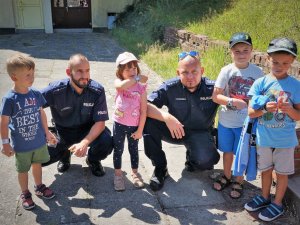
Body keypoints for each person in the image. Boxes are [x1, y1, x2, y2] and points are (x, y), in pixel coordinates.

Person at [143, 50, 220, 191]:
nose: (190, 77)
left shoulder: (213, 88)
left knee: (206, 162)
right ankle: (160, 168)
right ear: (178, 73)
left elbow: (233, 103)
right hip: (176, 130)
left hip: (200, 132)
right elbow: (146, 106)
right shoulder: (170, 87)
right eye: (185, 72)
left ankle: (193, 157)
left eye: (194, 71)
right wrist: (167, 117)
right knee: (147, 123)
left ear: (202, 71)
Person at [244, 37, 300, 222]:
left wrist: (289, 109)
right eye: (275, 62)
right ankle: (265, 196)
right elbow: (251, 112)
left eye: (285, 63)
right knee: (266, 170)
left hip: (285, 140)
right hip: (264, 138)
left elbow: (298, 116)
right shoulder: (260, 83)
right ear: (268, 59)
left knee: (282, 174)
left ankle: (277, 204)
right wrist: (265, 109)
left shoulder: (296, 86)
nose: (279, 66)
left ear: (292, 62)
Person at [41, 54, 113, 177]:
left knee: (106, 142)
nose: (85, 76)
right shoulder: (55, 90)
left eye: (87, 71)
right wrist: (46, 132)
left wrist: (84, 143)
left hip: (87, 130)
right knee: (39, 155)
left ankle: (93, 160)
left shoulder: (97, 91)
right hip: (62, 132)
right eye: (80, 71)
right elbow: (31, 104)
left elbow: (100, 123)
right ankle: (64, 155)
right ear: (69, 72)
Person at [0, 54, 57, 210]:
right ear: (14, 77)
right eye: (27, 75)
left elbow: (41, 113)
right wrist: (5, 143)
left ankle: (39, 186)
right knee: (23, 170)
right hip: (21, 145)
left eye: (32, 73)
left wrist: (48, 133)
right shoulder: (10, 99)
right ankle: (25, 192)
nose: (32, 77)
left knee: (37, 165)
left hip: (38, 141)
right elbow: (4, 122)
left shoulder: (36, 94)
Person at [212, 32, 264, 199]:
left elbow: (262, 97)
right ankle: (227, 175)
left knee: (243, 153)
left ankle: (239, 180)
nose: (241, 54)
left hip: (246, 123)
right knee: (227, 152)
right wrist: (232, 102)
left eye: (245, 50)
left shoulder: (258, 73)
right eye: (237, 51)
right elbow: (216, 96)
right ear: (230, 52)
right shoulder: (226, 70)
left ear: (252, 51)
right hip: (227, 121)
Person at [112, 52, 148, 191]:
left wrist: (140, 130)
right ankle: (118, 175)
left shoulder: (141, 88)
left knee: (133, 150)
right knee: (118, 149)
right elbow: (121, 86)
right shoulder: (119, 83)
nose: (132, 71)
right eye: (128, 69)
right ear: (120, 72)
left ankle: (135, 173)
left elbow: (144, 111)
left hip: (134, 125)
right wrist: (138, 78)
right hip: (119, 123)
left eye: (134, 68)